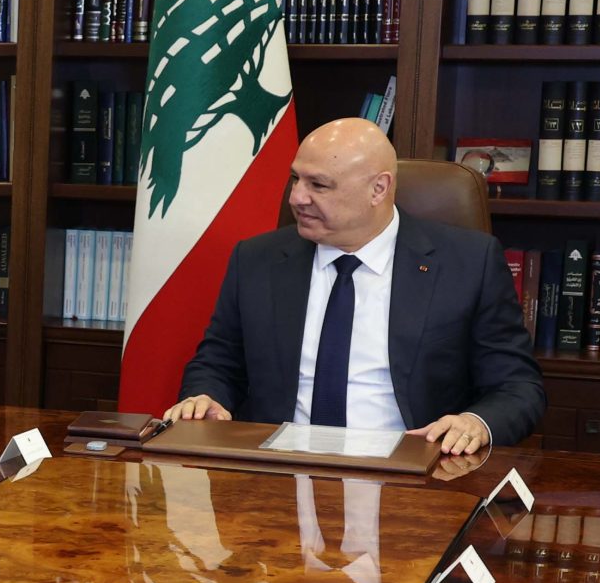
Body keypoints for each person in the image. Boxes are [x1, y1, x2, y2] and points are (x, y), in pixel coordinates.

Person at [163, 118, 544, 452]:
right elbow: (218, 361)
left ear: (378, 189)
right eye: (296, 178)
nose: (297, 197)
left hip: (412, 471)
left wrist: (475, 423)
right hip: (277, 468)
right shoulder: (257, 259)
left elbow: (517, 386)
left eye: (319, 185)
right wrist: (206, 397)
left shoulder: (468, 262)